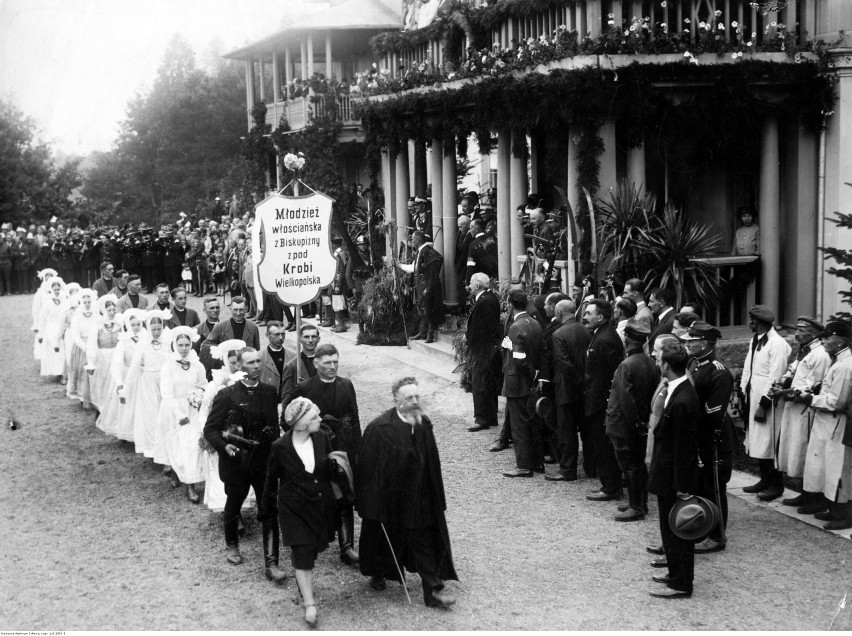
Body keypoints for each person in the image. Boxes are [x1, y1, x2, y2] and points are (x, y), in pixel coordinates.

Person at [357, 376, 458, 609]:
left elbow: (433, 462)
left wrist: (437, 498)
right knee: (383, 539)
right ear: (396, 400)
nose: (414, 401)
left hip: (419, 497)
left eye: (417, 396)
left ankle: (432, 591)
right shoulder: (379, 428)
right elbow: (367, 469)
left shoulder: (424, 423)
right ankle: (378, 573)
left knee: (423, 540)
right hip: (390, 499)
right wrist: (370, 504)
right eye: (408, 397)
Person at [203, 347, 285, 579]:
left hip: (264, 462)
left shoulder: (270, 392)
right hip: (237, 462)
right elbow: (210, 430)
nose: (256, 366)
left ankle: (272, 563)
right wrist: (224, 446)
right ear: (239, 366)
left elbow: (274, 428)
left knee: (269, 509)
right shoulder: (227, 395)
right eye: (250, 363)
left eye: (259, 362)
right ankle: (232, 545)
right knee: (234, 503)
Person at [264, 397, 339, 627]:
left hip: (319, 506)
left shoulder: (322, 438)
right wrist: (266, 510)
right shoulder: (280, 447)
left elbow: (328, 469)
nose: (319, 419)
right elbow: (270, 480)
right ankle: (309, 604)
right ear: (302, 423)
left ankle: (303, 588)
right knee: (303, 553)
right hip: (293, 509)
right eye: (315, 417)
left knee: (313, 550)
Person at [291, 343, 361, 566]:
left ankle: (347, 546)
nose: (333, 367)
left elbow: (353, 419)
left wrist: (355, 452)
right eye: (328, 362)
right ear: (316, 363)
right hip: (315, 450)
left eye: (336, 362)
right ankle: (311, 542)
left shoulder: (346, 385)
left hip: (342, 449)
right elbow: (292, 423)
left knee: (344, 496)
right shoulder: (304, 389)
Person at [648, 342, 700, 599]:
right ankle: (673, 571)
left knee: (679, 530)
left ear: (666, 365)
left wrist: (683, 486)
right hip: (667, 472)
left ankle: (681, 583)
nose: (656, 362)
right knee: (669, 528)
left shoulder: (682, 400)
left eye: (658, 359)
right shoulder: (675, 390)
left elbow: (684, 448)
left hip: (674, 476)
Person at [682, 321, 736, 553]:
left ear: (704, 343)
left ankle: (717, 537)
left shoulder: (718, 372)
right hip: (700, 437)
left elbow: (713, 412)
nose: (687, 344)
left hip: (714, 440)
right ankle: (703, 531)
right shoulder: (696, 365)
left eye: (691, 341)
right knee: (701, 488)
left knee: (713, 488)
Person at [795, 320, 852, 529]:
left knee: (838, 468)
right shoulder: (837, 361)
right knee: (827, 466)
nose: (824, 341)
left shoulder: (845, 365)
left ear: (839, 341)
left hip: (836, 421)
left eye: (827, 338)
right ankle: (834, 509)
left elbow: (837, 401)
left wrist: (809, 398)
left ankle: (844, 514)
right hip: (826, 421)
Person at [775, 317, 831, 511]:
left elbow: (814, 384)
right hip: (794, 406)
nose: (797, 333)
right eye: (797, 329)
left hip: (806, 409)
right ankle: (805, 492)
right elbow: (792, 372)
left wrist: (789, 392)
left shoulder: (820, 354)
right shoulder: (803, 351)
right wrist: (783, 383)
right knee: (797, 450)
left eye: (801, 330)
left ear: (814, 333)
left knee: (808, 452)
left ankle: (815, 497)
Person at [605, 321, 659, 521]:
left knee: (629, 465)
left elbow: (625, 399)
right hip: (640, 423)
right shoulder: (651, 362)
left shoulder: (626, 365)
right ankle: (640, 502)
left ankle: (636, 506)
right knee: (637, 465)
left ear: (627, 340)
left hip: (624, 425)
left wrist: (634, 423)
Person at [740, 305, 791, 499]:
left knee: (768, 440)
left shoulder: (776, 344)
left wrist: (763, 404)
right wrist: (743, 391)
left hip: (767, 400)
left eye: (750, 320)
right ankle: (764, 479)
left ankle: (775, 485)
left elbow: (775, 376)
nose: (749, 323)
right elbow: (748, 367)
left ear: (757, 322)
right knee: (757, 440)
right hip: (752, 394)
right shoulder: (756, 339)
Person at [198, 339, 254, 516]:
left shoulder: (248, 382)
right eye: (233, 363)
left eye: (240, 362)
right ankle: (231, 514)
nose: (237, 366)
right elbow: (205, 411)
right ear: (225, 362)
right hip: (222, 438)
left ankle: (239, 508)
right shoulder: (216, 384)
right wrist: (207, 435)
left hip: (243, 437)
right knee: (225, 476)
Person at [156, 326, 207, 503]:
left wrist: (198, 395)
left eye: (187, 344)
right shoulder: (168, 366)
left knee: (190, 447)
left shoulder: (197, 364)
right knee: (176, 446)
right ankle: (177, 474)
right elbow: (166, 394)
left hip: (192, 409)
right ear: (174, 345)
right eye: (180, 345)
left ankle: (190, 487)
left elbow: (203, 384)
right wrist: (179, 414)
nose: (184, 348)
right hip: (173, 410)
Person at [583, 298, 625, 500]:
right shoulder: (600, 335)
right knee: (601, 445)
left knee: (604, 446)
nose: (585, 316)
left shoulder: (605, 339)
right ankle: (609, 484)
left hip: (601, 404)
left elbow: (604, 376)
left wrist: (596, 404)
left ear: (600, 317)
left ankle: (611, 487)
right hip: (597, 401)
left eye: (589, 313)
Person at [500, 289, 543, 478]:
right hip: (530, 381)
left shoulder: (516, 326)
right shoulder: (534, 322)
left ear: (510, 304)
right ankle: (536, 462)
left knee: (519, 426)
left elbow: (518, 357)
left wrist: (530, 373)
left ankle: (524, 466)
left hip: (518, 380)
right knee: (532, 422)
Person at [124, 310, 174, 458]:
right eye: (154, 330)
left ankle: (167, 450)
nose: (157, 332)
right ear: (148, 328)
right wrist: (126, 388)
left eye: (159, 329)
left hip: (164, 381)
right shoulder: (143, 344)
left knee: (166, 414)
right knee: (152, 416)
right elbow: (134, 367)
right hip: (148, 383)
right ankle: (155, 450)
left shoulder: (167, 342)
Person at [101, 308, 147, 441]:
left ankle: (143, 432)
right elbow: (116, 364)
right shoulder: (124, 342)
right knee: (129, 405)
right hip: (129, 377)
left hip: (144, 376)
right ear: (128, 325)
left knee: (143, 405)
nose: (136, 327)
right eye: (133, 325)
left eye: (138, 324)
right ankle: (128, 433)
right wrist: (119, 382)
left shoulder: (147, 339)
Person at [464, 273, 502, 432]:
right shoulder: (490, 297)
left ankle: (481, 419)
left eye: (471, 284)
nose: (469, 287)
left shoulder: (484, 301)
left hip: (483, 348)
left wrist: (469, 338)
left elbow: (483, 327)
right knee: (489, 382)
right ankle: (491, 417)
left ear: (478, 285)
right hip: (489, 347)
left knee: (480, 382)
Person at [396, 231, 444, 343]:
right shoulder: (419, 252)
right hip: (419, 285)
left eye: (413, 239)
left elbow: (434, 270)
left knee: (428, 308)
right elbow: (413, 268)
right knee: (421, 309)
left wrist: (429, 287)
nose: (411, 241)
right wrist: (399, 265)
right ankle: (422, 332)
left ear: (418, 240)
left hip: (427, 286)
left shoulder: (428, 252)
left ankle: (430, 334)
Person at [84, 293, 122, 413]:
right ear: (103, 310)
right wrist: (91, 361)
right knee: (103, 383)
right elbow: (91, 344)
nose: (112, 312)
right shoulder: (97, 325)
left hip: (117, 357)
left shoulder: (120, 324)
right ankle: (102, 409)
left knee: (116, 382)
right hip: (103, 358)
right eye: (109, 310)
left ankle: (115, 410)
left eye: (114, 310)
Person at [201, 296, 260, 361]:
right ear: (230, 308)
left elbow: (256, 351)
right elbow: (205, 345)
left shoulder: (253, 327)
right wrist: (222, 349)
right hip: (227, 365)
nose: (238, 313)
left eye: (241, 309)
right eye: (235, 309)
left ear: (246, 309)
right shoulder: (221, 326)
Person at [68, 289, 99, 409]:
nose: (87, 303)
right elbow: (75, 335)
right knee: (82, 372)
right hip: (82, 347)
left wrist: (94, 344)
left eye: (89, 301)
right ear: (81, 302)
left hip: (95, 344)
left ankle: (94, 397)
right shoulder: (77, 316)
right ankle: (82, 397)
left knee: (94, 372)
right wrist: (84, 346)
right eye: (84, 301)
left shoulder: (96, 314)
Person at [280, 323, 320, 412]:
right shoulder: (292, 366)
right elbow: (286, 397)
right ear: (300, 340)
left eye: (313, 337)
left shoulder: (324, 362)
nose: (310, 340)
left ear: (318, 339)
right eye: (306, 337)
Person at [259, 321, 293, 400]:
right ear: (267, 335)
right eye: (276, 334)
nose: (281, 338)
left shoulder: (293, 356)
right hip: (267, 401)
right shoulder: (259, 357)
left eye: (283, 334)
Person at [197, 296, 221, 378]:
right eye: (211, 308)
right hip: (204, 371)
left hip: (221, 369)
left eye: (217, 307)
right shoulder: (198, 330)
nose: (215, 310)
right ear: (204, 310)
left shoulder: (226, 327)